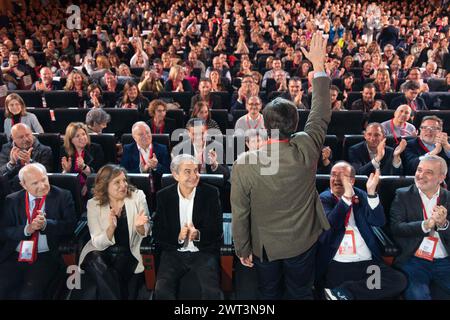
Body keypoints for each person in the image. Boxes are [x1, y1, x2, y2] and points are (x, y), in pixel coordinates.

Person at [231, 31, 331, 300]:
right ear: (295, 125)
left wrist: (242, 249)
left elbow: (240, 215)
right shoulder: (308, 146)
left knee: (269, 293)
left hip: (264, 248)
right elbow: (320, 112)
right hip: (303, 242)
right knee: (300, 292)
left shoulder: (245, 164)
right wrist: (319, 67)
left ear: (264, 126)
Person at [317, 162, 407, 300]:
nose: (336, 179)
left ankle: (345, 292)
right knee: (370, 291)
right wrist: (346, 198)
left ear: (352, 180)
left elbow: (378, 221)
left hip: (367, 264)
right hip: (339, 263)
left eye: (342, 176)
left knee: (398, 280)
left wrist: (371, 194)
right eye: (333, 175)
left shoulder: (362, 196)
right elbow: (331, 224)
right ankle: (347, 293)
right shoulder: (323, 198)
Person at [0, 163, 76, 299]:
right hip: (15, 255)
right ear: (23, 185)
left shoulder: (63, 196)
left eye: (44, 179)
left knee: (28, 294)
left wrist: (46, 225)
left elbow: (70, 226)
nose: (42, 186)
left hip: (45, 256)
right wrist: (27, 229)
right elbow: (4, 231)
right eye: (35, 183)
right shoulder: (12, 200)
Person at [153, 154, 223, 299]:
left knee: (212, 292)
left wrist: (198, 234)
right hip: (173, 252)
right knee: (162, 290)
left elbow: (217, 230)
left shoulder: (210, 193)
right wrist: (178, 237)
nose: (194, 175)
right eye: (187, 171)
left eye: (196, 171)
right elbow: (158, 233)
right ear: (175, 175)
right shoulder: (163, 196)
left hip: (203, 251)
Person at [78, 165, 150, 300]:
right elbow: (97, 243)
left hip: (127, 252)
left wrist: (140, 227)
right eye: (117, 182)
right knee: (95, 260)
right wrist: (111, 228)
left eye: (124, 180)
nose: (123, 185)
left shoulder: (137, 197)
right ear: (105, 186)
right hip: (99, 252)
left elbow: (146, 230)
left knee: (108, 281)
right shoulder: (93, 204)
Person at [390, 155, 450, 300]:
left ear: (441, 178)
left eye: (428, 172)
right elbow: (396, 228)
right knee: (418, 295)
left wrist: (444, 224)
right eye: (419, 170)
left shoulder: (448, 198)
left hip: (445, 260)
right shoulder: (402, 195)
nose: (420, 175)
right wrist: (426, 224)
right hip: (414, 259)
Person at [0, 123, 52, 191]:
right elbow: (1, 173)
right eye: (21, 137)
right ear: (13, 138)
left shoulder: (45, 150)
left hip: (35, 187)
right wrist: (11, 163)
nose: (26, 139)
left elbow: (46, 173)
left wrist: (30, 162)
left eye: (28, 135)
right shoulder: (6, 148)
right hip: (10, 189)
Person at [60, 122, 105, 196]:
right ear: (71, 140)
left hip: (93, 187)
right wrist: (66, 171)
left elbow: (99, 174)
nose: (82, 138)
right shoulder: (64, 151)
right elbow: (60, 178)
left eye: (84, 134)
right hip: (72, 188)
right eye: (77, 136)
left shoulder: (96, 149)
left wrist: (84, 168)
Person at [403, 116, 450, 184]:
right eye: (424, 127)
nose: (429, 131)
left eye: (433, 128)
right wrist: (434, 152)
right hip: (420, 183)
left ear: (440, 131)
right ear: (420, 130)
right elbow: (412, 165)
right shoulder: (409, 145)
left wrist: (447, 146)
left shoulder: (446, 143)